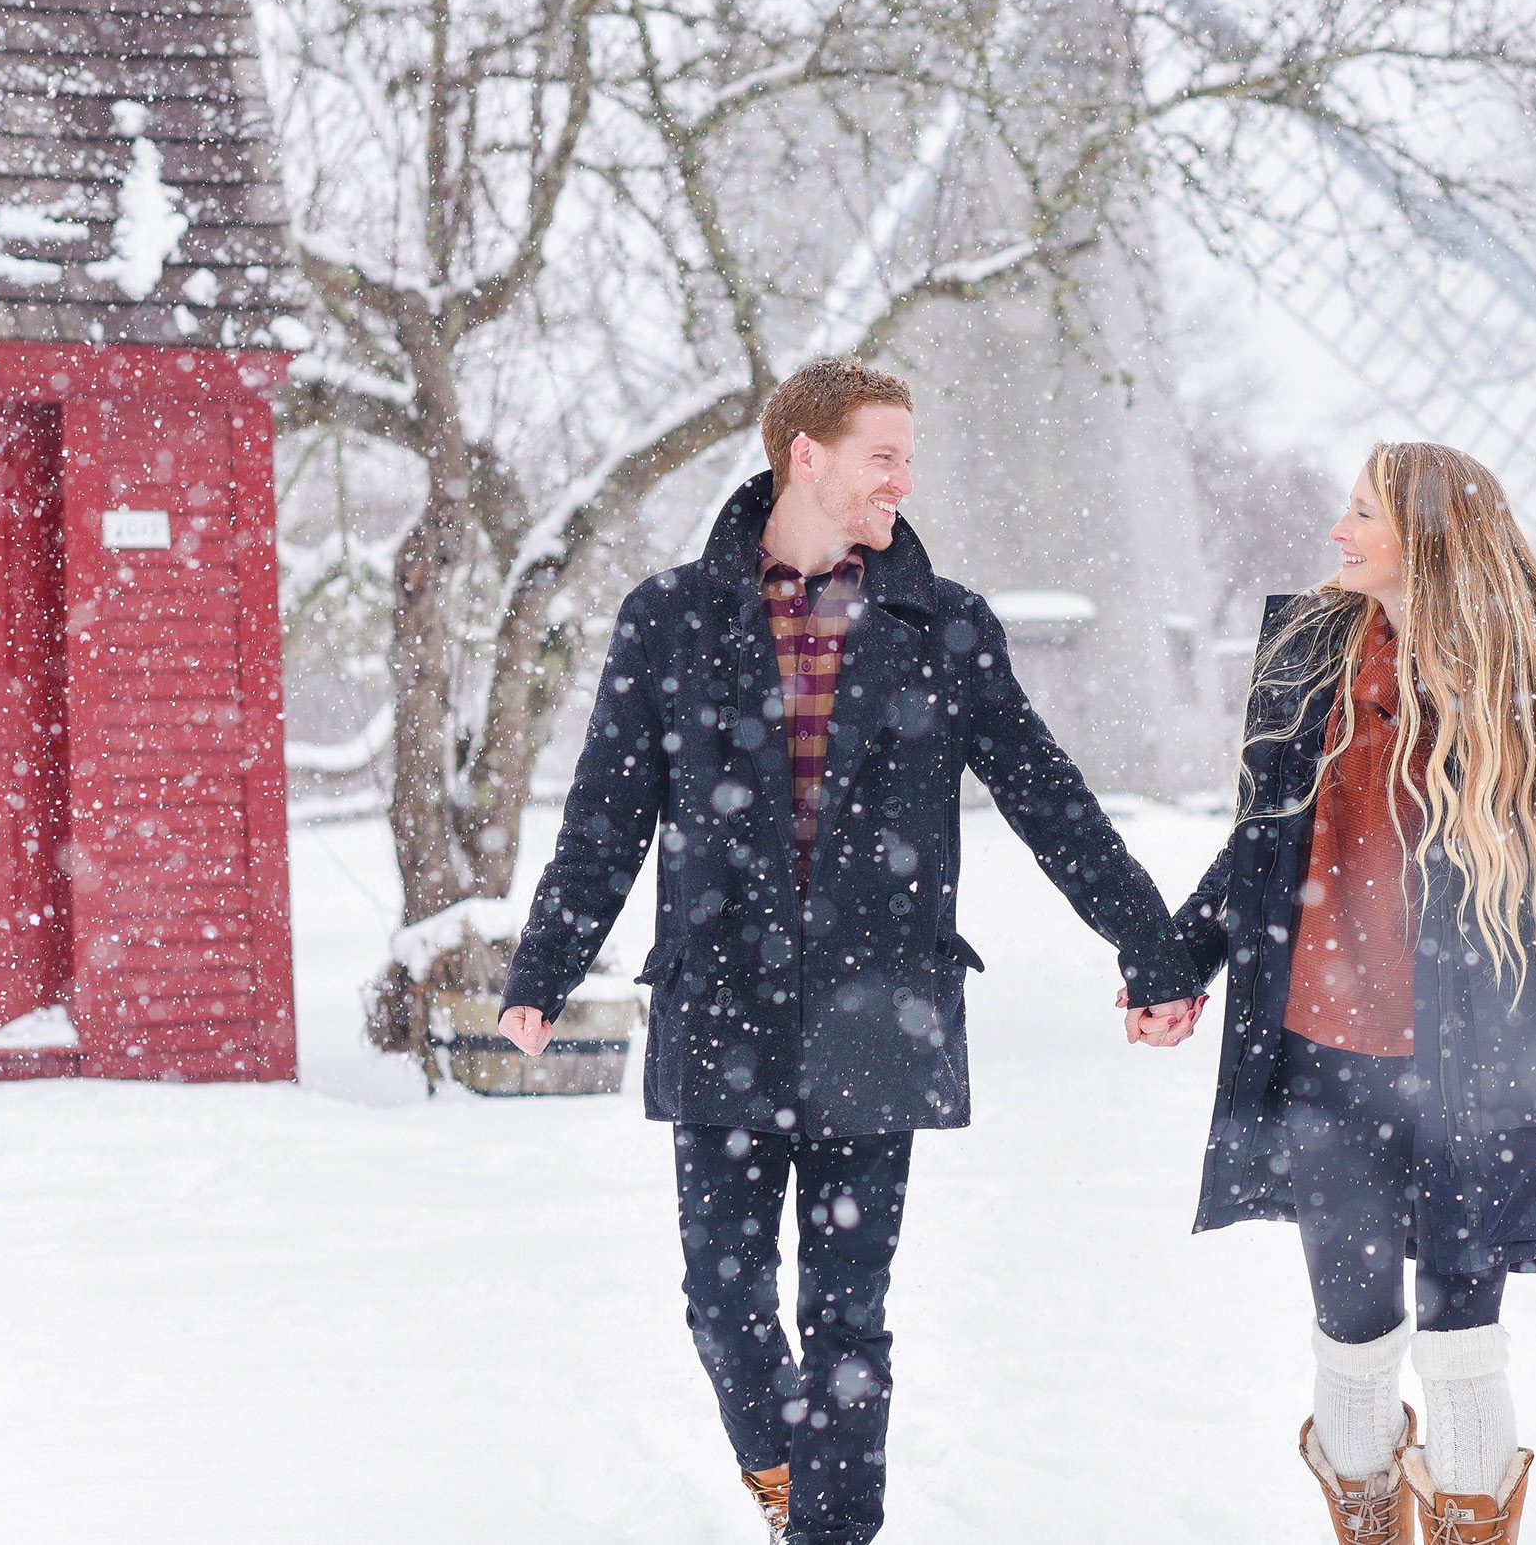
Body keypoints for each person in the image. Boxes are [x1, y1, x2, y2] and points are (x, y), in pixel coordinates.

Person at [496, 356, 1203, 1545]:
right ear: (804, 457)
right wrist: (544, 968)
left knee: (849, 1320)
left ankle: (831, 1529)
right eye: (884, 455)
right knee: (721, 1303)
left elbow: (1047, 796)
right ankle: (789, 1486)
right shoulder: (671, 617)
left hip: (881, 1013)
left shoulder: (943, 625)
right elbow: (608, 811)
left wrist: (1153, 943)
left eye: (908, 458)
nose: (904, 479)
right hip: (720, 1005)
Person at [1156, 441, 1536, 1545]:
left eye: (1360, 514)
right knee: (1351, 1331)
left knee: (1462, 1332)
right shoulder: (1307, 653)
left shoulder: (1518, 675)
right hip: (1323, 1053)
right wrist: (1176, 963)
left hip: (1478, 1060)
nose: (1337, 532)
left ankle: (1472, 1524)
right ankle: (1368, 1516)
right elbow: (1258, 847)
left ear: (1424, 538)